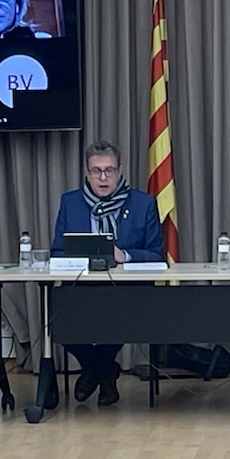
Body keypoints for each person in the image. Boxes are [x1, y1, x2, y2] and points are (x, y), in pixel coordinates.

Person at [50, 140, 164, 406]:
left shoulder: (143, 203)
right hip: (81, 288)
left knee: (121, 316)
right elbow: (57, 251)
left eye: (109, 170)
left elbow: (156, 253)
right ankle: (104, 370)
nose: (103, 178)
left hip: (126, 291)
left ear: (119, 171)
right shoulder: (70, 202)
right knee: (56, 317)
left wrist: (125, 256)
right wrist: (81, 258)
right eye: (96, 171)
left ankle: (96, 372)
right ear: (87, 173)